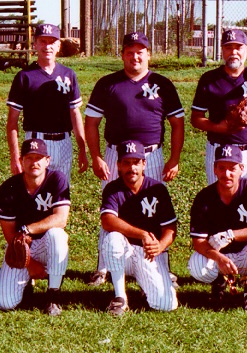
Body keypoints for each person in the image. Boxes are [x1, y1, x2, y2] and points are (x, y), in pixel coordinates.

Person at [85, 31, 184, 285]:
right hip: (116, 154)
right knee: (111, 206)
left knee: (156, 208)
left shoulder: (162, 83)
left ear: (148, 54)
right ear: (122, 55)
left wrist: (174, 159)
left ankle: (160, 262)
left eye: (140, 51)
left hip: (151, 154)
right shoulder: (108, 83)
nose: (135, 56)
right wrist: (96, 156)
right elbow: (91, 122)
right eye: (129, 51)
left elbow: (177, 123)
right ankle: (104, 266)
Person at [187, 144, 247, 313]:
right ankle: (219, 281)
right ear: (214, 169)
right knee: (196, 265)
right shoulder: (204, 197)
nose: (227, 174)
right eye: (222, 168)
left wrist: (231, 235)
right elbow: (198, 242)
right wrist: (219, 258)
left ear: (241, 169)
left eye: (232, 168)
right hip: (220, 256)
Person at [100, 140, 178, 315]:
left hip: (148, 253)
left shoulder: (157, 189)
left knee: (166, 304)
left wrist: (160, 246)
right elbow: (107, 221)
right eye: (126, 162)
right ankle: (120, 298)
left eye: (136, 162)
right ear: (118, 165)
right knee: (113, 238)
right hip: (123, 253)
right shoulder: (113, 189)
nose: (131, 168)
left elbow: (170, 227)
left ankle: (146, 286)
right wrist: (142, 234)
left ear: (144, 164)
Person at [191, 29, 247, 184]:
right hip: (218, 150)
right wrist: (220, 127)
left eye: (239, 47)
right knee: (217, 202)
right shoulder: (209, 79)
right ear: (222, 50)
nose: (234, 52)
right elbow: (196, 119)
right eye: (228, 47)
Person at [0, 139, 70, 316]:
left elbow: (61, 219)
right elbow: (9, 235)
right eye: (29, 158)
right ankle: (26, 282)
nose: (34, 162)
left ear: (47, 160)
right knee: (4, 303)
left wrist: (28, 229)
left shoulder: (56, 179)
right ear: (21, 161)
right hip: (20, 247)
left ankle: (53, 294)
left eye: (39, 158)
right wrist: (29, 264)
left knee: (57, 235)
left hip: (46, 244)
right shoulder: (9, 187)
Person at [6, 23, 88, 180]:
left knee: (62, 193)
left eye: (52, 42)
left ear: (58, 45)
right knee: (36, 195)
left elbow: (75, 113)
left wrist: (82, 149)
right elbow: (12, 122)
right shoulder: (25, 76)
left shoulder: (68, 74)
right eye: (42, 41)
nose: (47, 46)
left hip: (64, 141)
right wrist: (15, 155)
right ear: (35, 44)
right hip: (36, 141)